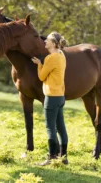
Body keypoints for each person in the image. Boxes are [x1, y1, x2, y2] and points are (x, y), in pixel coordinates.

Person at [31, 31, 68, 165]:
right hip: (60, 96)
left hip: (51, 97)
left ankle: (52, 157)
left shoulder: (50, 58)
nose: (44, 42)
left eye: (47, 40)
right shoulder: (61, 55)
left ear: (53, 43)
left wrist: (39, 64)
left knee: (50, 128)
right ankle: (63, 158)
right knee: (61, 127)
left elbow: (41, 77)